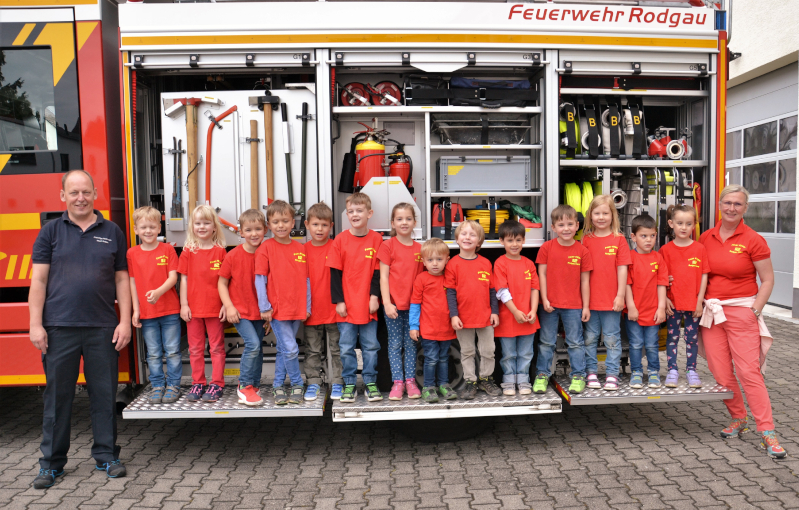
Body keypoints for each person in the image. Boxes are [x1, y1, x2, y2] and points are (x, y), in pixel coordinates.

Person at [29, 169, 131, 489]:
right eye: (73, 193)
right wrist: (35, 324)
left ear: (94, 194)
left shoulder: (112, 231)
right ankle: (52, 464)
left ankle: (106, 456)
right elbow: (39, 281)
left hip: (103, 326)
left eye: (85, 191)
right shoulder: (50, 232)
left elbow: (122, 280)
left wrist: (125, 320)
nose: (80, 198)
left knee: (104, 396)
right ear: (63, 196)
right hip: (60, 327)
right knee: (58, 399)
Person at [699, 184, 786, 458]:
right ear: (720, 205)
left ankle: (768, 432)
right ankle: (739, 418)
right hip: (713, 313)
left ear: (745, 208)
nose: (731, 208)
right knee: (722, 374)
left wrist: (755, 310)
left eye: (738, 204)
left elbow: (768, 279)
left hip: (742, 311)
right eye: (727, 203)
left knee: (749, 373)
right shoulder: (706, 237)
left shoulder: (753, 239)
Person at [326, 192, 384, 403]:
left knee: (370, 347)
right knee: (346, 347)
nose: (355, 214)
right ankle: (349, 383)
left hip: (368, 305)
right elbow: (334, 273)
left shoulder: (376, 239)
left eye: (359, 210)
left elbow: (379, 273)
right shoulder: (340, 240)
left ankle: (370, 382)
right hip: (347, 306)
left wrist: (374, 297)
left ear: (369, 213)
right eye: (351, 211)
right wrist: (339, 301)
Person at [255, 200, 310, 405]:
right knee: (291, 349)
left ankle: (277, 385)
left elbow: (307, 281)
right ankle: (297, 384)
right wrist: (265, 307)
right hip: (277, 310)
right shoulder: (266, 248)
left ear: (293, 222)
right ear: (269, 224)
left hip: (297, 308)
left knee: (284, 350)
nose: (281, 225)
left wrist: (307, 307)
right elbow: (260, 279)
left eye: (285, 221)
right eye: (276, 221)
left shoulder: (300, 248)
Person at [535, 205, 592, 394]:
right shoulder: (547, 248)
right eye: (561, 225)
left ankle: (578, 375)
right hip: (549, 304)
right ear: (553, 227)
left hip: (574, 306)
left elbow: (585, 280)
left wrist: (585, 306)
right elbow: (541, 275)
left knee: (575, 342)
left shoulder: (582, 251)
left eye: (570, 224)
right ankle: (542, 375)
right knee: (546, 342)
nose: (566, 228)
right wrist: (544, 299)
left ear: (577, 226)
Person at [128, 206, 181, 405]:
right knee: (154, 352)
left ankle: (174, 385)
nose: (148, 231)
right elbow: (132, 282)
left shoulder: (167, 249)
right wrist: (136, 309)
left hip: (169, 311)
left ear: (159, 228)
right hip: (147, 313)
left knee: (173, 350)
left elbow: (173, 277)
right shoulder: (132, 253)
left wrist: (158, 292)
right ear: (136, 230)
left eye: (152, 226)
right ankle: (158, 385)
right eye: (143, 227)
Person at [445, 220, 501, 400]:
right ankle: (470, 381)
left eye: (472, 235)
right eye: (463, 233)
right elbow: (450, 293)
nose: (467, 237)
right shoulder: (453, 264)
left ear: (479, 242)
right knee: (467, 351)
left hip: (485, 317)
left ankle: (486, 378)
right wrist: (454, 315)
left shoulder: (485, 263)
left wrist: (494, 311)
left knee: (488, 350)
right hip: (463, 318)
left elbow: (492, 290)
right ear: (457, 238)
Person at [581, 195, 631, 391]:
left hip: (612, 301)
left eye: (605, 213)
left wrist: (620, 295)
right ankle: (591, 372)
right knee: (590, 338)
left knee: (611, 338)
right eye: (597, 213)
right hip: (590, 301)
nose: (601, 217)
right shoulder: (586, 239)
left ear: (613, 215)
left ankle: (612, 374)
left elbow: (622, 269)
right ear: (590, 216)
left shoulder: (619, 240)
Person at [178, 205, 227, 403]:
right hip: (194, 310)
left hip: (215, 309)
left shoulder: (221, 252)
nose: (202, 227)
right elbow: (184, 280)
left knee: (216, 347)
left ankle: (217, 383)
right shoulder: (188, 252)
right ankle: (198, 382)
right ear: (192, 226)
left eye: (206, 223)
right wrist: (184, 305)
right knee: (195, 348)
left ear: (214, 227)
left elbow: (226, 282)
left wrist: (226, 304)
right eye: (198, 223)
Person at [219, 209, 267, 406]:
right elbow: (222, 283)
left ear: (265, 229)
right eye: (248, 230)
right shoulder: (233, 256)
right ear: (240, 232)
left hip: (261, 313)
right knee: (253, 345)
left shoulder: (267, 253)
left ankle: (254, 385)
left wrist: (269, 313)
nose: (254, 233)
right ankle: (244, 385)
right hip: (240, 312)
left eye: (258, 229)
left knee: (259, 349)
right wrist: (229, 306)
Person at [378, 203, 424, 400]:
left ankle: (411, 382)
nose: (404, 222)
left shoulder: (421, 249)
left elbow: (423, 281)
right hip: (394, 307)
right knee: (395, 344)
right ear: (392, 223)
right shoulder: (387, 246)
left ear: (414, 222)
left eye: (408, 219)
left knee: (412, 344)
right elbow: (383, 277)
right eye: (399, 219)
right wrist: (387, 303)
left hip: (414, 307)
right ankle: (398, 383)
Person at [660, 204, 709, 388]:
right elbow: (660, 278)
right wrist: (664, 298)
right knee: (672, 338)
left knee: (692, 339)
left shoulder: (700, 249)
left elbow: (704, 276)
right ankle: (672, 370)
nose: (683, 227)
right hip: (673, 304)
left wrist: (699, 302)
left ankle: (691, 370)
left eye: (688, 223)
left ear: (694, 225)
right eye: (679, 223)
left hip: (692, 304)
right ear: (671, 223)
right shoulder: (665, 251)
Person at [494, 220, 540, 396]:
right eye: (510, 240)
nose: (514, 244)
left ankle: (523, 380)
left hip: (528, 317)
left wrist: (533, 311)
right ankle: (508, 381)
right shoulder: (500, 263)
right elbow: (502, 291)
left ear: (524, 241)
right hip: (508, 318)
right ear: (501, 242)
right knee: (508, 353)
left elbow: (535, 288)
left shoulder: (528, 263)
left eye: (518, 240)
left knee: (526, 352)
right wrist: (514, 311)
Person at [410, 238, 458, 403]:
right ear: (423, 261)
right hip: (428, 330)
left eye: (439, 259)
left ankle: (444, 385)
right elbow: (415, 304)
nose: (435, 264)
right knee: (431, 358)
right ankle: (428, 387)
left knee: (444, 357)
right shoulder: (421, 279)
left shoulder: (449, 278)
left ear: (447, 259)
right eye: (430, 260)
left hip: (446, 329)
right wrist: (414, 326)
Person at [303, 202, 342, 401]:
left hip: (334, 310)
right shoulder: (302, 251)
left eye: (324, 225)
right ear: (307, 224)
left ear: (332, 226)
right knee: (312, 350)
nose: (320, 229)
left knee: (337, 349)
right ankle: (313, 383)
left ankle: (337, 382)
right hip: (311, 311)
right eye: (316, 224)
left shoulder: (336, 246)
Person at [625, 214, 668, 390]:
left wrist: (661, 308)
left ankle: (653, 372)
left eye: (652, 236)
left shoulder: (658, 258)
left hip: (653, 312)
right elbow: (626, 284)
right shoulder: (629, 258)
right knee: (635, 344)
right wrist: (631, 307)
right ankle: (636, 372)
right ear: (633, 237)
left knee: (652, 344)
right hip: (634, 311)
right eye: (644, 236)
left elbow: (662, 284)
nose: (649, 240)